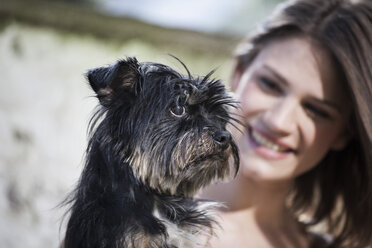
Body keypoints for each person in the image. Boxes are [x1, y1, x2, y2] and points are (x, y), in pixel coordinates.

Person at [201, 0, 372, 247]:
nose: (278, 122)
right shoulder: (132, 212)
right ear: (239, 73)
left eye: (316, 110)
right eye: (270, 84)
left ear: (343, 134)